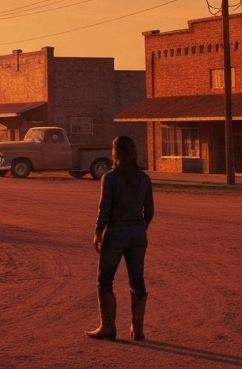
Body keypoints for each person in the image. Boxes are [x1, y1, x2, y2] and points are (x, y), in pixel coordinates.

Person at [86, 135, 154, 341]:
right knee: (137, 279)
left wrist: (98, 231)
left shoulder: (110, 178)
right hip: (138, 233)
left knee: (105, 279)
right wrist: (140, 227)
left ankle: (107, 326)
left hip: (116, 232)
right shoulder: (144, 178)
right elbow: (150, 210)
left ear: (115, 153)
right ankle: (138, 329)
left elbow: (104, 208)